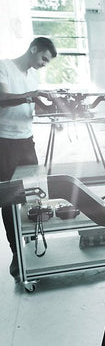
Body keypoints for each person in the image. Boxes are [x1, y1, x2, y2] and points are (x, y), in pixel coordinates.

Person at [0, 37, 57, 280]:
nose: (44, 64)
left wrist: (53, 109)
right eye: (44, 58)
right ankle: (17, 253)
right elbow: (2, 99)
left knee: (33, 194)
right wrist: (32, 95)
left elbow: (32, 106)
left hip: (26, 141)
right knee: (9, 199)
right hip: (4, 143)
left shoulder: (33, 75)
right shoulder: (4, 66)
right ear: (33, 48)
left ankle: (32, 241)